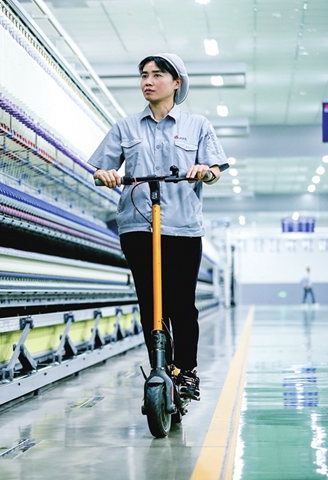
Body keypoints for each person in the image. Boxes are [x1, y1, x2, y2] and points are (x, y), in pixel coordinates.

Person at [88, 53, 226, 401]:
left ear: (176, 82)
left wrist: (204, 171)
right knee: (151, 304)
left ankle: (188, 371)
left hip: (182, 226)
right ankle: (159, 368)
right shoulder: (125, 127)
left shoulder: (198, 125)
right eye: (144, 75)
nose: (148, 81)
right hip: (137, 226)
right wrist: (105, 175)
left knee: (182, 304)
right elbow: (100, 169)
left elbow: (215, 170)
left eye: (157, 75)